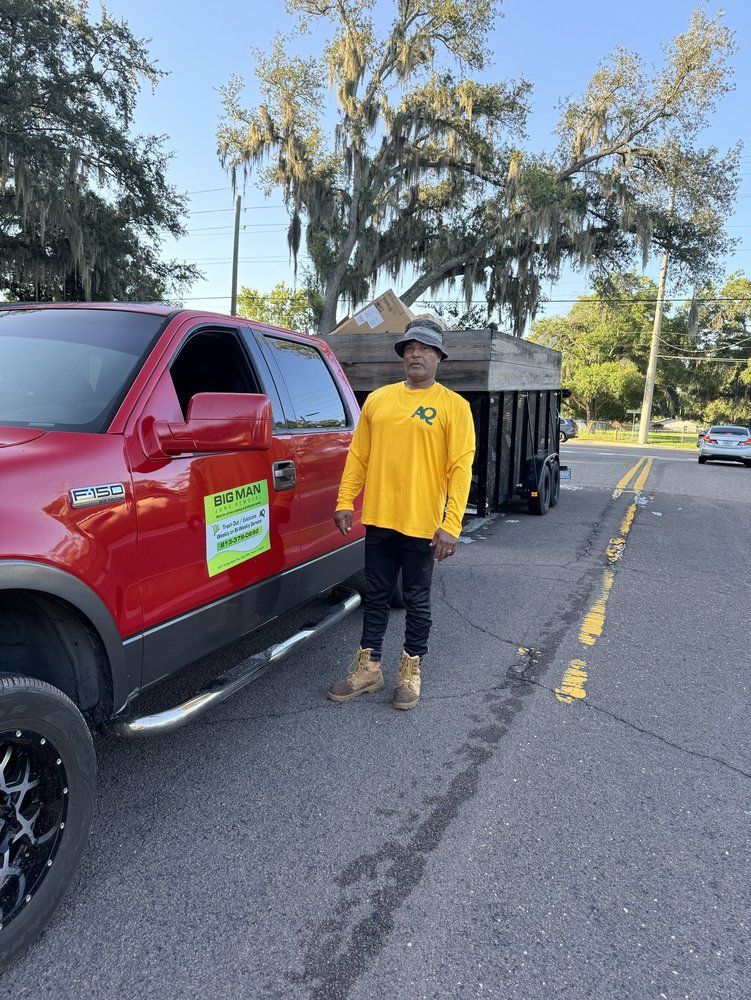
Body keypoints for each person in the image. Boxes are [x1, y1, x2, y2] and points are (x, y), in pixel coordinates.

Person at [328, 319, 476, 710]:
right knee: (375, 596)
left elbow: (460, 469)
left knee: (416, 600)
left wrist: (451, 525)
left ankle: (410, 672)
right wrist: (346, 500)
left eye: (425, 348)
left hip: (423, 524)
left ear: (439, 356)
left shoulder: (454, 407)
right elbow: (358, 456)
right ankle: (368, 669)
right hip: (379, 518)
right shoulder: (378, 400)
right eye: (409, 347)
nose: (415, 353)